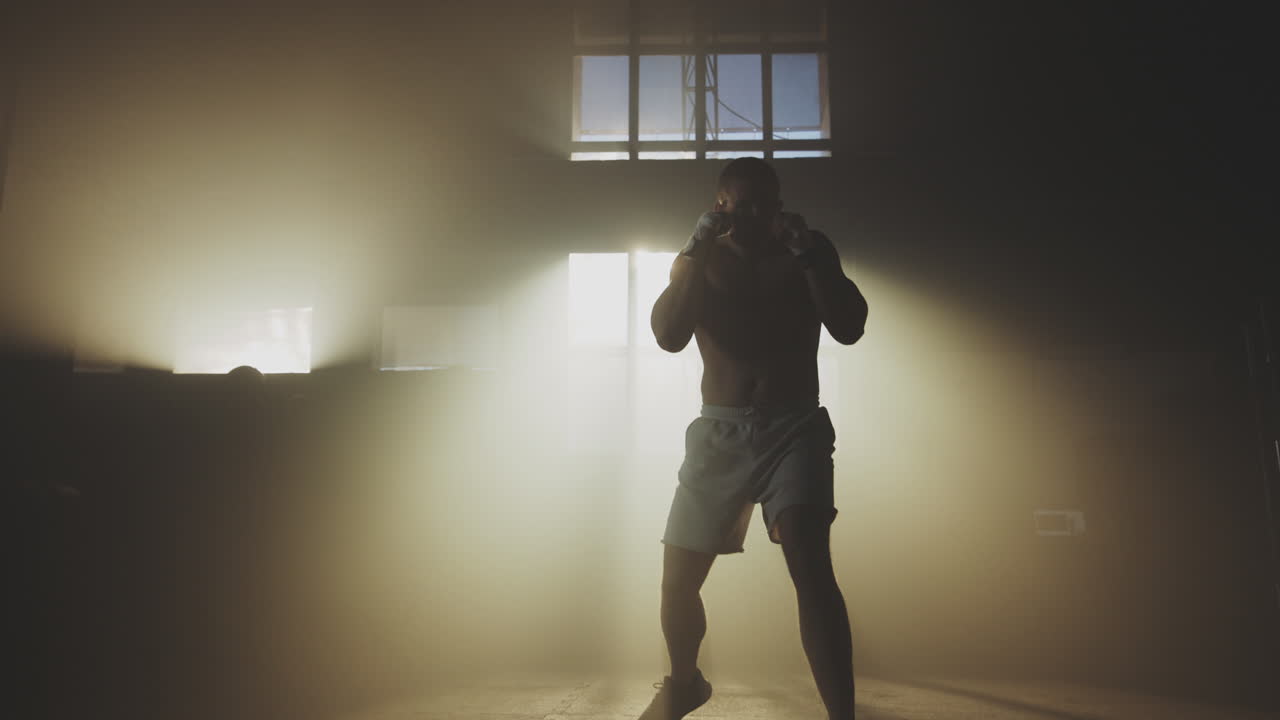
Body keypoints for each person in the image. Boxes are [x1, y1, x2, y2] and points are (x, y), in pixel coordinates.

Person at [642, 157, 868, 720]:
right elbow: (669, 335)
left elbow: (849, 325)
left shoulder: (808, 249)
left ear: (779, 204)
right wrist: (694, 249)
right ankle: (685, 683)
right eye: (739, 204)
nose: (752, 215)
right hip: (719, 428)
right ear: (719, 205)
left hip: (794, 426)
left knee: (811, 565)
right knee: (676, 582)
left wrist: (809, 254)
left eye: (763, 204)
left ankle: (844, 715)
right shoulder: (700, 259)